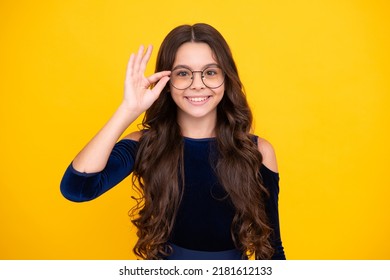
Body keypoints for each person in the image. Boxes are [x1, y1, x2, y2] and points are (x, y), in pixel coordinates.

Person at [60, 23, 285, 260]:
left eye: (210, 72)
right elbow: (77, 189)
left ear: (226, 78)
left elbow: (272, 250)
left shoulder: (257, 151)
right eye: (183, 73)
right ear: (166, 83)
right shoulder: (145, 144)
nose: (197, 84)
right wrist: (128, 110)